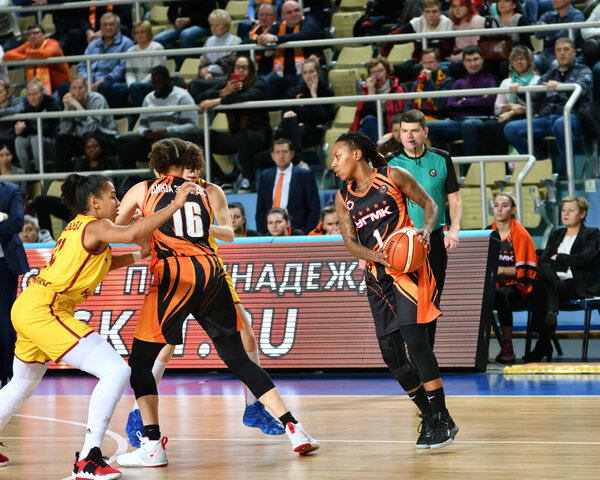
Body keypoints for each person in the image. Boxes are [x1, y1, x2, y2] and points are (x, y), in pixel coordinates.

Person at [114, 139, 318, 467]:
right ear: (187, 164)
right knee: (238, 358)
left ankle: (151, 443)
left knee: (140, 362)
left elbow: (117, 229)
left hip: (175, 274)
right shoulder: (202, 192)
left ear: (157, 165)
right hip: (211, 273)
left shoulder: (144, 189)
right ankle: (295, 427)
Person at [0, 172, 197, 476]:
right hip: (45, 309)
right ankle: (89, 458)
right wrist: (174, 206)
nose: (118, 202)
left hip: (32, 307)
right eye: (113, 196)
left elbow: (105, 261)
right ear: (94, 202)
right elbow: (131, 233)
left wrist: (138, 255)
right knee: (116, 369)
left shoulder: (82, 229)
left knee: (21, 385)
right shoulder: (96, 226)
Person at [123, 165, 285, 449]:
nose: (193, 172)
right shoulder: (162, 193)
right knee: (164, 345)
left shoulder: (211, 191)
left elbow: (230, 234)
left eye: (197, 167)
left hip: (210, 270)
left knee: (246, 333)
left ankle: (253, 407)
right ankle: (139, 413)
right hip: (175, 271)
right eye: (188, 168)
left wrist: (205, 225)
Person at [332, 131, 458, 449]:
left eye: (338, 155)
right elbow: (350, 243)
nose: (334, 163)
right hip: (377, 278)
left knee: (415, 340)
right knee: (392, 356)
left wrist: (426, 231)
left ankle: (442, 417)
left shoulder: (393, 176)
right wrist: (377, 257)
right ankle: (429, 416)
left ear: (357, 154)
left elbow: (429, 205)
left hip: (407, 272)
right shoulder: (342, 197)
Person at [386, 110, 462, 347]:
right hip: (402, 242)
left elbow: (455, 200)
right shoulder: (390, 164)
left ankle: (427, 354)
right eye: (405, 131)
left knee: (431, 300)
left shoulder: (442, 158)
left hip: (435, 239)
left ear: (425, 132)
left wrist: (455, 229)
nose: (410, 136)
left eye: (415, 131)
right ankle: (413, 356)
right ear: (399, 134)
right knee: (406, 301)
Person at [525, 195, 600, 362]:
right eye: (564, 210)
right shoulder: (556, 233)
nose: (565, 214)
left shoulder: (591, 234)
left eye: (571, 210)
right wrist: (564, 262)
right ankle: (551, 313)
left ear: (582, 213)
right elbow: (544, 260)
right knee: (544, 274)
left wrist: (559, 258)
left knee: (540, 288)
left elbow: (585, 258)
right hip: (554, 282)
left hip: (578, 284)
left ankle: (543, 343)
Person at [503, 37, 592, 176]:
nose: (562, 53)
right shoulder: (549, 74)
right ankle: (538, 165)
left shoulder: (584, 70)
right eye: (558, 50)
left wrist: (560, 87)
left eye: (566, 49)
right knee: (511, 129)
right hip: (546, 119)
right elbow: (534, 96)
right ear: (555, 54)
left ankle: (565, 170)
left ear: (574, 52)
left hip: (572, 117)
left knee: (561, 124)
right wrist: (519, 90)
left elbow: (582, 88)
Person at [196, 55, 272, 193]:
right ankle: (222, 179)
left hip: (260, 136)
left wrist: (218, 100)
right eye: (238, 67)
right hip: (236, 135)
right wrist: (223, 92)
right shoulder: (229, 84)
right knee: (199, 138)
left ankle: (248, 180)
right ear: (233, 69)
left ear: (251, 70)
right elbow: (200, 98)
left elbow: (248, 97)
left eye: (245, 67)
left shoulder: (258, 82)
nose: (241, 71)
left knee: (243, 136)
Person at [117, 65, 201, 170]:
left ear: (168, 80)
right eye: (154, 83)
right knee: (124, 141)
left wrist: (166, 130)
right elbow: (142, 124)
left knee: (165, 139)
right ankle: (131, 177)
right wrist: (145, 132)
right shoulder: (148, 98)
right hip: (153, 140)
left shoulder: (182, 96)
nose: (157, 86)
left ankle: (165, 178)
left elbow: (193, 125)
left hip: (175, 141)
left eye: (160, 82)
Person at [490, 192, 537, 363]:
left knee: (502, 294)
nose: (499, 209)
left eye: (504, 206)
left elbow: (528, 271)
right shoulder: (488, 233)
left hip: (519, 286)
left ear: (513, 210)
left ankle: (507, 344)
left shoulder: (522, 235)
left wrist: (502, 270)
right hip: (493, 285)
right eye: (496, 205)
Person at [427, 45, 498, 157]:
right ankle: (440, 166)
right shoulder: (459, 82)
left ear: (482, 59)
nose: (472, 64)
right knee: (426, 127)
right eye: (468, 60)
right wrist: (477, 100)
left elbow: (488, 102)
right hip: (457, 122)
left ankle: (468, 170)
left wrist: (463, 101)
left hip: (479, 121)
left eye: (476, 59)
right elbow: (450, 104)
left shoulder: (490, 80)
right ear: (463, 62)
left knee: (468, 125)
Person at [257, 0, 325, 99]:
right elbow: (266, 36)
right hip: (282, 73)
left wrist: (276, 39)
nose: (294, 14)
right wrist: (261, 39)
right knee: (263, 85)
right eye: (289, 12)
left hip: (305, 73)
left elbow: (303, 35)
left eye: (296, 10)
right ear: (283, 16)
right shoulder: (279, 25)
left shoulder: (309, 23)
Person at [481, 46, 540, 156]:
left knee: (504, 125)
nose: (519, 62)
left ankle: (503, 163)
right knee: (488, 126)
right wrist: (512, 107)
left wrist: (511, 112)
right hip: (507, 115)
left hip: (527, 117)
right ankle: (490, 164)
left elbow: (535, 107)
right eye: (515, 59)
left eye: (522, 58)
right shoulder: (506, 82)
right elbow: (497, 108)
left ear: (529, 61)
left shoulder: (536, 80)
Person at [256, 138, 321, 234]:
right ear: (272, 156)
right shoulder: (265, 177)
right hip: (270, 233)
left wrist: (307, 233)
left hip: (298, 232)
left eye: (285, 152)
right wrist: (263, 232)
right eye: (277, 152)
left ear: (292, 154)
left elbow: (314, 208)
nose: (281, 156)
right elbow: (260, 209)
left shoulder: (304, 175)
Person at [56, 75, 118, 172]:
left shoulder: (97, 99)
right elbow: (65, 131)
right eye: (74, 88)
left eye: (80, 88)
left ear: (86, 89)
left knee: (90, 138)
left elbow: (92, 129)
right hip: (85, 141)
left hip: (105, 139)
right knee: (62, 139)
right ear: (69, 90)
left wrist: (78, 106)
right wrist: (67, 109)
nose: (77, 92)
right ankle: (65, 178)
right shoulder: (71, 102)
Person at [0, 180, 28, 389]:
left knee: (4, 321)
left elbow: (17, 223)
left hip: (4, 265)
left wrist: (7, 220)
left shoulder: (11, 190)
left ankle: (7, 373)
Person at [276, 59, 335, 155]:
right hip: (295, 128)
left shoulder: (326, 91)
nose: (308, 76)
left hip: (315, 131)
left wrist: (314, 95)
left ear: (318, 72)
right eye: (305, 73)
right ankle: (297, 160)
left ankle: (297, 159)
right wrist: (290, 114)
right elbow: (285, 112)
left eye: (311, 72)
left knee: (291, 134)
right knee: (284, 128)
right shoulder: (294, 91)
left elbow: (322, 118)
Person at [76, 12, 134, 108]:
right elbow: (82, 65)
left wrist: (103, 80)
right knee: (66, 86)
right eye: (105, 24)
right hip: (89, 82)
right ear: (100, 27)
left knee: (104, 86)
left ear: (118, 27)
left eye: (112, 24)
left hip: (110, 81)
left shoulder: (126, 43)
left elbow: (122, 67)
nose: (108, 27)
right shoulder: (93, 44)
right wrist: (86, 80)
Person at [349, 56, 406, 143]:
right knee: (367, 122)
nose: (377, 75)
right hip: (372, 128)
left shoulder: (398, 90)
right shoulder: (365, 93)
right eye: (373, 72)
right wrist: (371, 92)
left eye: (380, 71)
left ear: (387, 72)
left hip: (392, 128)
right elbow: (362, 119)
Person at [3, 23, 71, 94]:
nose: (32, 36)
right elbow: (7, 55)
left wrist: (28, 52)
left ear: (44, 35)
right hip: (35, 90)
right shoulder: (28, 45)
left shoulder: (53, 44)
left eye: (35, 33)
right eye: (29, 34)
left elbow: (44, 54)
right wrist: (25, 57)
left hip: (58, 88)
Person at [380, 0, 454, 62]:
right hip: (418, 61)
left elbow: (447, 52)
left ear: (440, 12)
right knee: (394, 70)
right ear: (423, 13)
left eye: (434, 11)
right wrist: (384, 61)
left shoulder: (447, 23)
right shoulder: (417, 22)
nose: (431, 15)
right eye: (427, 12)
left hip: (440, 62)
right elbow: (390, 39)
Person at [153, 0, 218, 68]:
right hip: (183, 26)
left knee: (186, 34)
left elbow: (209, 14)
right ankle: (175, 61)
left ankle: (182, 66)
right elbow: (171, 12)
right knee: (157, 39)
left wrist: (189, 20)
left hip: (203, 25)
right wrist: (175, 20)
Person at [14, 80, 60, 173]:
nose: (32, 97)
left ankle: (40, 172)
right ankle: (27, 173)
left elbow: (48, 129)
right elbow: (21, 130)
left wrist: (27, 129)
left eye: (35, 94)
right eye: (29, 94)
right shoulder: (24, 104)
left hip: (51, 143)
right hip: (31, 143)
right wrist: (19, 129)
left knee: (36, 139)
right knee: (18, 141)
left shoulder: (51, 103)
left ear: (42, 94)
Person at [125, 20, 167, 114]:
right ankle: (123, 118)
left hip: (153, 83)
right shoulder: (130, 51)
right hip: (135, 85)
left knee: (136, 87)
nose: (139, 35)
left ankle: (141, 117)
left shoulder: (157, 48)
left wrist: (136, 86)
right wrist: (131, 86)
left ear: (148, 33)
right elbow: (129, 73)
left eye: (142, 32)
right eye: (137, 32)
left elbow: (156, 73)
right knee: (114, 88)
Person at [403, 48, 455, 122]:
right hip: (418, 119)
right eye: (425, 63)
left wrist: (429, 81)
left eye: (431, 62)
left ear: (439, 63)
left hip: (439, 119)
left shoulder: (447, 81)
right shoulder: (417, 83)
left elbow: (441, 106)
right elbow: (409, 105)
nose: (427, 66)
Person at [533, 0, 585, 74]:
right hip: (546, 54)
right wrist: (559, 30)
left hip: (566, 54)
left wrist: (548, 32)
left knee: (556, 64)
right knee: (531, 61)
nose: (554, 0)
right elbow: (537, 33)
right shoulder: (548, 15)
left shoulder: (578, 15)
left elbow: (564, 38)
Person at [245, 2, 279, 75]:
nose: (264, 18)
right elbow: (243, 48)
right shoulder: (254, 29)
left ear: (275, 17)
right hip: (253, 68)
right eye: (261, 14)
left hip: (272, 70)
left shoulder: (279, 29)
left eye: (268, 15)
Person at [0, 80, 24, 154]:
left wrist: (1, 112)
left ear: (8, 93)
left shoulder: (16, 100)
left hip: (13, 139)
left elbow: (20, 108)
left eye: (0, 92)